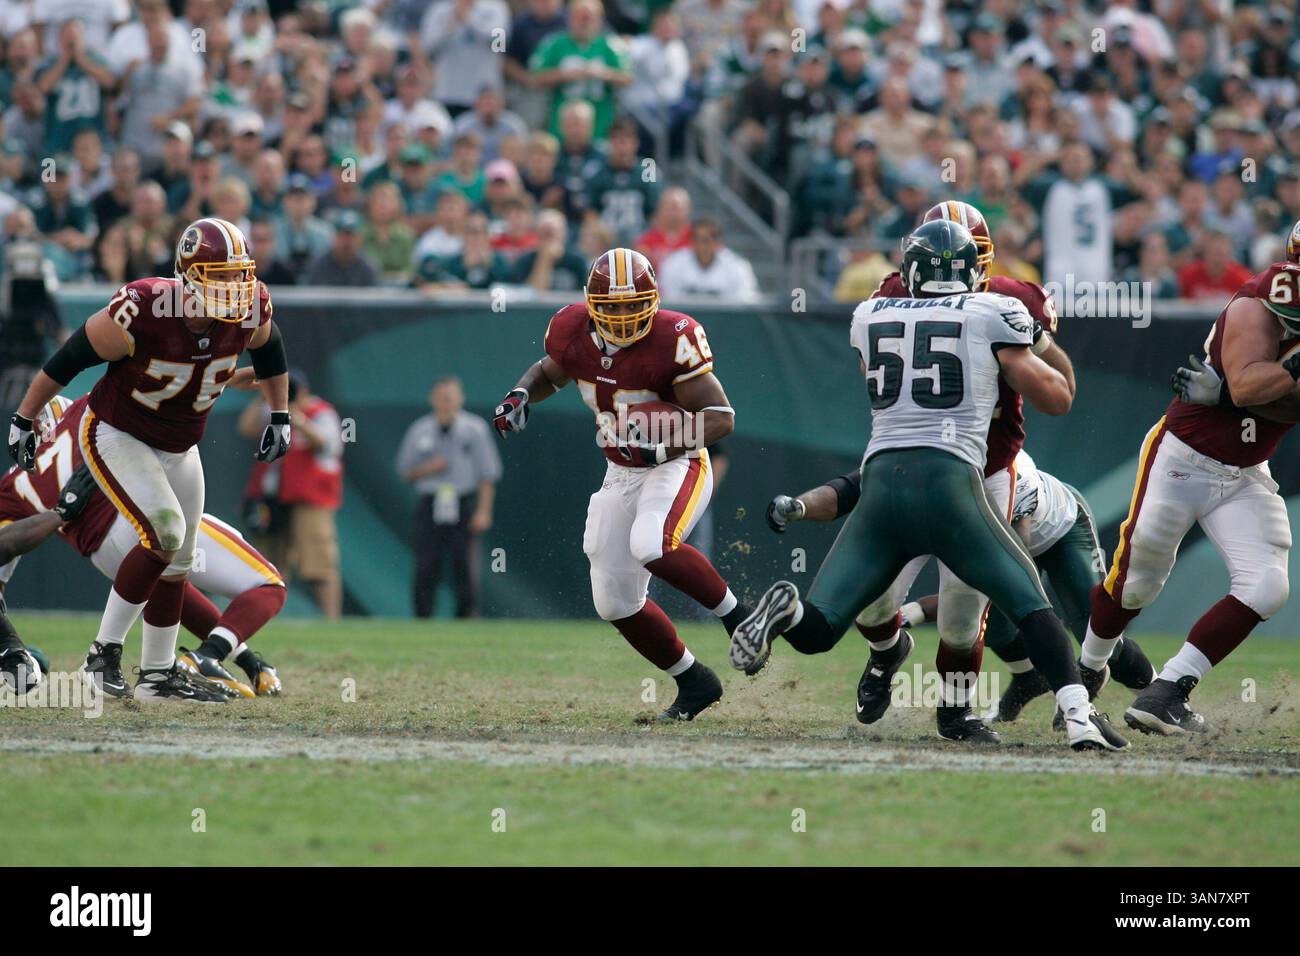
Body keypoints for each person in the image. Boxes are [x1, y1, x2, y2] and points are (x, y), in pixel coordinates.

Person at [729, 219, 1128, 751]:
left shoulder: (869, 314)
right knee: (1030, 601)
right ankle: (1080, 718)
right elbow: (1056, 399)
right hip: (951, 483)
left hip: (880, 484)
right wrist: (1033, 341)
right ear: (974, 271)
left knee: (821, 629)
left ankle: (788, 612)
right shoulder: (993, 310)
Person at [6, 216, 291, 703]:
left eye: (239, 274)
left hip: (180, 445)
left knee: (178, 560)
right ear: (188, 275)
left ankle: (158, 676)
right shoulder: (145, 308)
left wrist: (280, 413)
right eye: (220, 276)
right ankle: (103, 655)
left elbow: (271, 349)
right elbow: (68, 359)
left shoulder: (249, 308)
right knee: (165, 532)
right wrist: (24, 417)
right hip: (119, 433)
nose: (234, 287)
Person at [492, 248, 753, 721]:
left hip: (676, 463)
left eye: (633, 306)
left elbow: (722, 418)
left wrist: (665, 444)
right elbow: (551, 371)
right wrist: (522, 394)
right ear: (592, 305)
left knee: (652, 543)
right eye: (611, 308)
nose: (623, 317)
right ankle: (694, 681)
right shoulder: (571, 331)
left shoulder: (674, 336)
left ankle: (740, 618)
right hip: (620, 469)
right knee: (613, 601)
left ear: (653, 301)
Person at [1090, 221, 1300, 735]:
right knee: (1137, 584)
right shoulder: (1258, 305)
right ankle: (1084, 673)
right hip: (1185, 458)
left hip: (1246, 472)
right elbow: (1250, 385)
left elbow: (1270, 402)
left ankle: (1166, 692)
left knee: (1268, 584)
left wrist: (1228, 396)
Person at [0, 394, 284, 698]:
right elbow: (170, 379)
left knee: (171, 587)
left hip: (107, 556)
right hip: (140, 519)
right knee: (269, 584)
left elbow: (6, 543)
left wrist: (12, 647)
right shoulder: (89, 407)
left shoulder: (9, 490)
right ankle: (193, 660)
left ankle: (216, 662)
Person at [239, 370, 344, 620]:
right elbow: (247, 428)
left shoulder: (321, 412)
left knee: (318, 560)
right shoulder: (272, 410)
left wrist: (298, 419)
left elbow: (329, 445)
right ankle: (265, 618)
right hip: (272, 496)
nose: (287, 395)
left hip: (309, 497)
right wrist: (264, 397)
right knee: (268, 562)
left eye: (290, 390)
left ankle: (332, 621)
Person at [396, 376, 501, 619]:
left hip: (462, 501)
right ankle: (423, 617)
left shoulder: (474, 429)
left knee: (464, 563)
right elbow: (405, 471)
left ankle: (467, 617)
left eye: (451, 398)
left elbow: (488, 475)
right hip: (430, 502)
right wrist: (428, 469)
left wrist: (483, 511)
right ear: (433, 399)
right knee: (426, 562)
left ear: (460, 399)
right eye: (442, 398)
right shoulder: (419, 429)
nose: (447, 403)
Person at [658, 218, 759, 301]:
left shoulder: (738, 266)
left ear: (719, 242)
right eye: (697, 239)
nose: (701, 245)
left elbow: (746, 301)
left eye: (706, 240)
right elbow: (668, 300)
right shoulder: (673, 263)